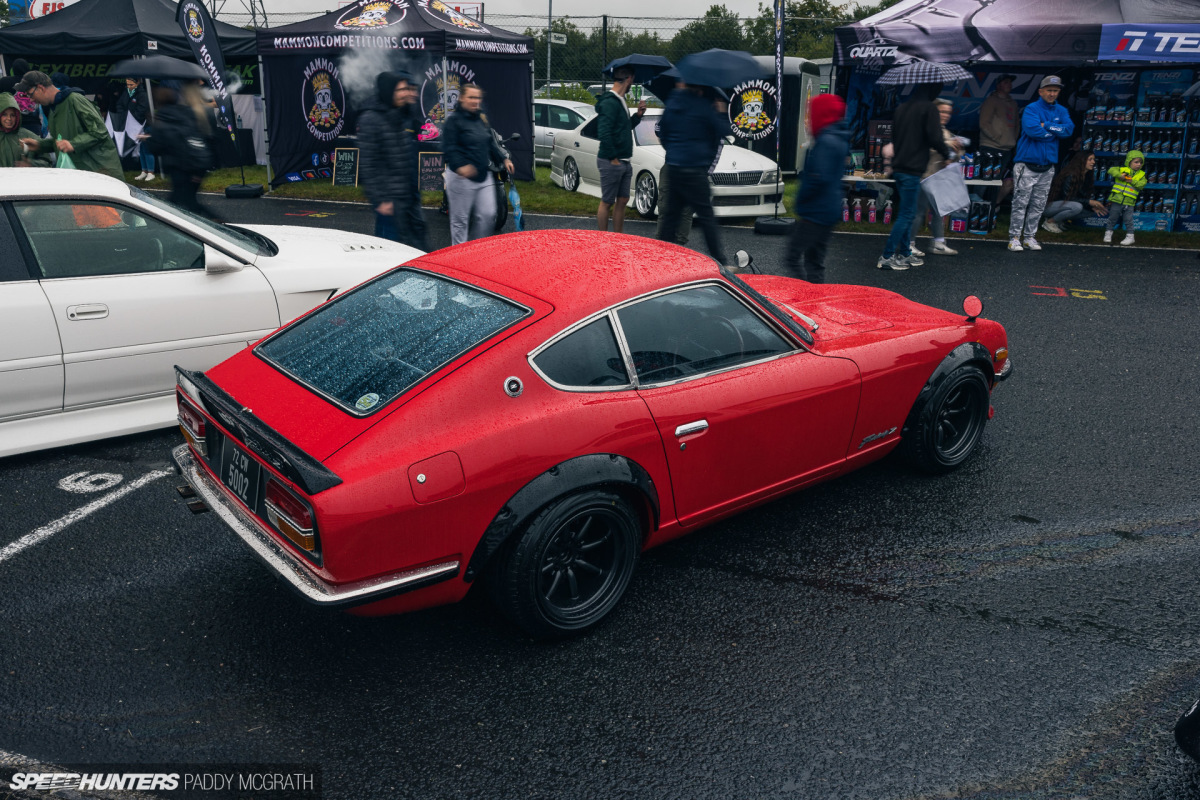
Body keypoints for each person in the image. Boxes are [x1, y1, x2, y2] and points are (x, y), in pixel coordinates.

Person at [877, 83, 952, 271]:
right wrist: (947, 154)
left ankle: (905, 253)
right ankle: (886, 256)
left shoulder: (902, 108)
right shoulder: (929, 109)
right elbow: (935, 138)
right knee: (907, 214)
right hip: (914, 167)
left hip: (900, 167)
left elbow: (895, 136)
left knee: (907, 212)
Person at [658, 83, 729, 265]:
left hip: (674, 167)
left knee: (670, 216)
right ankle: (720, 261)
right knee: (706, 217)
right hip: (695, 170)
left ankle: (660, 258)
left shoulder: (673, 102)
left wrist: (674, 152)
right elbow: (721, 131)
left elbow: (663, 133)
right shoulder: (703, 106)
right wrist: (720, 112)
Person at [782, 93, 850, 283]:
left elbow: (817, 177)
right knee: (814, 261)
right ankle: (815, 296)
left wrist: (801, 202)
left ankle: (805, 296)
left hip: (814, 211)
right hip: (828, 210)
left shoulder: (825, 142)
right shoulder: (839, 138)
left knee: (792, 258)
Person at [358, 71, 428, 250]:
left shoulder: (400, 114)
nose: (407, 93)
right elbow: (367, 164)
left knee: (416, 248)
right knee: (389, 251)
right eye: (402, 89)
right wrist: (380, 200)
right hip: (389, 202)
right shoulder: (370, 119)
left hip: (409, 196)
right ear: (389, 91)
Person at [1008, 75, 1074, 252]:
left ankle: (1029, 237)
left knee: (1038, 205)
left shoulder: (1061, 110)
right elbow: (1033, 130)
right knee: (1020, 203)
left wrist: (1048, 125)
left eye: (1055, 90)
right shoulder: (1032, 108)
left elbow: (1068, 130)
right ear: (1041, 91)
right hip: (1026, 164)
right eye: (1049, 90)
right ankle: (1014, 238)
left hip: (1048, 166)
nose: (1052, 94)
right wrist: (1054, 131)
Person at [17, 70, 123, 180]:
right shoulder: (54, 109)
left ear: (40, 88)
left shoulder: (75, 100)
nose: (30, 99)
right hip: (81, 175)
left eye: (30, 94)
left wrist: (73, 144)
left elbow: (100, 131)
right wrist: (40, 145)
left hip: (100, 174)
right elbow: (62, 142)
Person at [442, 83, 513, 246]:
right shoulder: (454, 122)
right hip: (460, 178)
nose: (475, 101)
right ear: (461, 98)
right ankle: (458, 253)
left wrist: (504, 159)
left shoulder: (481, 119)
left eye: (478, 98)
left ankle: (474, 250)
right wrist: (461, 166)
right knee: (460, 221)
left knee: (488, 215)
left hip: (483, 175)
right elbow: (449, 149)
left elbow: (491, 143)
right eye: (471, 97)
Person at [142, 84, 216, 217]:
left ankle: (217, 224)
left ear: (158, 102)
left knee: (179, 204)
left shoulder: (162, 119)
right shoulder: (184, 113)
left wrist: (150, 136)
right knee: (185, 203)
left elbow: (155, 147)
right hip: (194, 166)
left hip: (180, 168)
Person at [910, 97, 965, 257]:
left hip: (939, 178)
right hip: (924, 176)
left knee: (939, 211)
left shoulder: (945, 131)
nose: (946, 115)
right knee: (919, 212)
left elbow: (955, 154)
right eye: (942, 111)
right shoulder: (924, 128)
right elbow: (922, 149)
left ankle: (939, 244)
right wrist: (947, 144)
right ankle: (909, 244)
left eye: (948, 112)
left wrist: (954, 154)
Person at [595, 66, 647, 233]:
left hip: (625, 160)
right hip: (612, 161)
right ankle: (604, 238)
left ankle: (618, 238)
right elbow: (604, 132)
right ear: (629, 79)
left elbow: (623, 129)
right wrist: (613, 158)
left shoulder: (621, 101)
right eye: (634, 79)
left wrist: (638, 116)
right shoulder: (610, 102)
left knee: (623, 199)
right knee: (607, 201)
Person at [1041, 151, 1107, 232]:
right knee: (1077, 207)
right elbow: (1067, 198)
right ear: (1082, 161)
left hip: (1065, 205)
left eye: (1093, 159)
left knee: (1089, 212)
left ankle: (1059, 220)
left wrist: (1091, 207)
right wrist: (1089, 202)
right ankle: (1049, 222)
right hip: (1049, 206)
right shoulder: (1070, 175)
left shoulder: (1086, 176)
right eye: (1090, 159)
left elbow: (1080, 198)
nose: (1093, 162)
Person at [979, 74, 1018, 206]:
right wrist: (997, 138)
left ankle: (990, 208)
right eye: (1006, 82)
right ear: (999, 85)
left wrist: (1013, 140)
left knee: (996, 180)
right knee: (984, 179)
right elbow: (984, 123)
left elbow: (1017, 124)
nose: (1009, 84)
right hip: (990, 146)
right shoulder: (991, 101)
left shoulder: (1013, 103)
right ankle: (974, 205)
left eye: (1010, 82)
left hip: (1006, 148)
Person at [111, 78, 155, 180]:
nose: (129, 87)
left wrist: (132, 118)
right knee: (141, 149)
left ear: (138, 83)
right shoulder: (126, 92)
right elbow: (120, 104)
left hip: (144, 124)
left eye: (131, 85)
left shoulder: (142, 95)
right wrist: (125, 116)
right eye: (127, 85)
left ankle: (151, 172)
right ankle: (144, 171)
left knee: (147, 148)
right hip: (132, 125)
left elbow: (142, 109)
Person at [1103, 150, 1146, 246]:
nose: (1139, 164)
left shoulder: (1141, 175)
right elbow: (1111, 170)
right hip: (1117, 200)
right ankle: (1108, 233)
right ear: (1129, 162)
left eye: (1141, 162)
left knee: (1128, 219)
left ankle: (1130, 236)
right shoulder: (1122, 169)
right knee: (1113, 217)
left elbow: (1142, 185)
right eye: (1136, 162)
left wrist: (1131, 181)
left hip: (1129, 202)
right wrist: (1119, 175)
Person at [0, 93, 53, 168]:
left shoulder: (28, 136)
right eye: (4, 114)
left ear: (17, 116)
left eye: (13, 115)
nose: (9, 118)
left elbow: (47, 162)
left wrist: (32, 164)